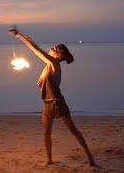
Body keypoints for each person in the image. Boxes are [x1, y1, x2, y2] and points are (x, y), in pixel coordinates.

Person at [9, 27, 95, 166]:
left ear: (58, 55)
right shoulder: (50, 65)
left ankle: (90, 158)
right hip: (47, 104)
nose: (51, 48)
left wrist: (19, 36)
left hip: (57, 103)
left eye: (54, 48)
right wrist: (24, 35)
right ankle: (49, 160)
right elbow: (36, 47)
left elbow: (36, 50)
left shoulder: (54, 64)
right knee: (47, 133)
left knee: (74, 131)